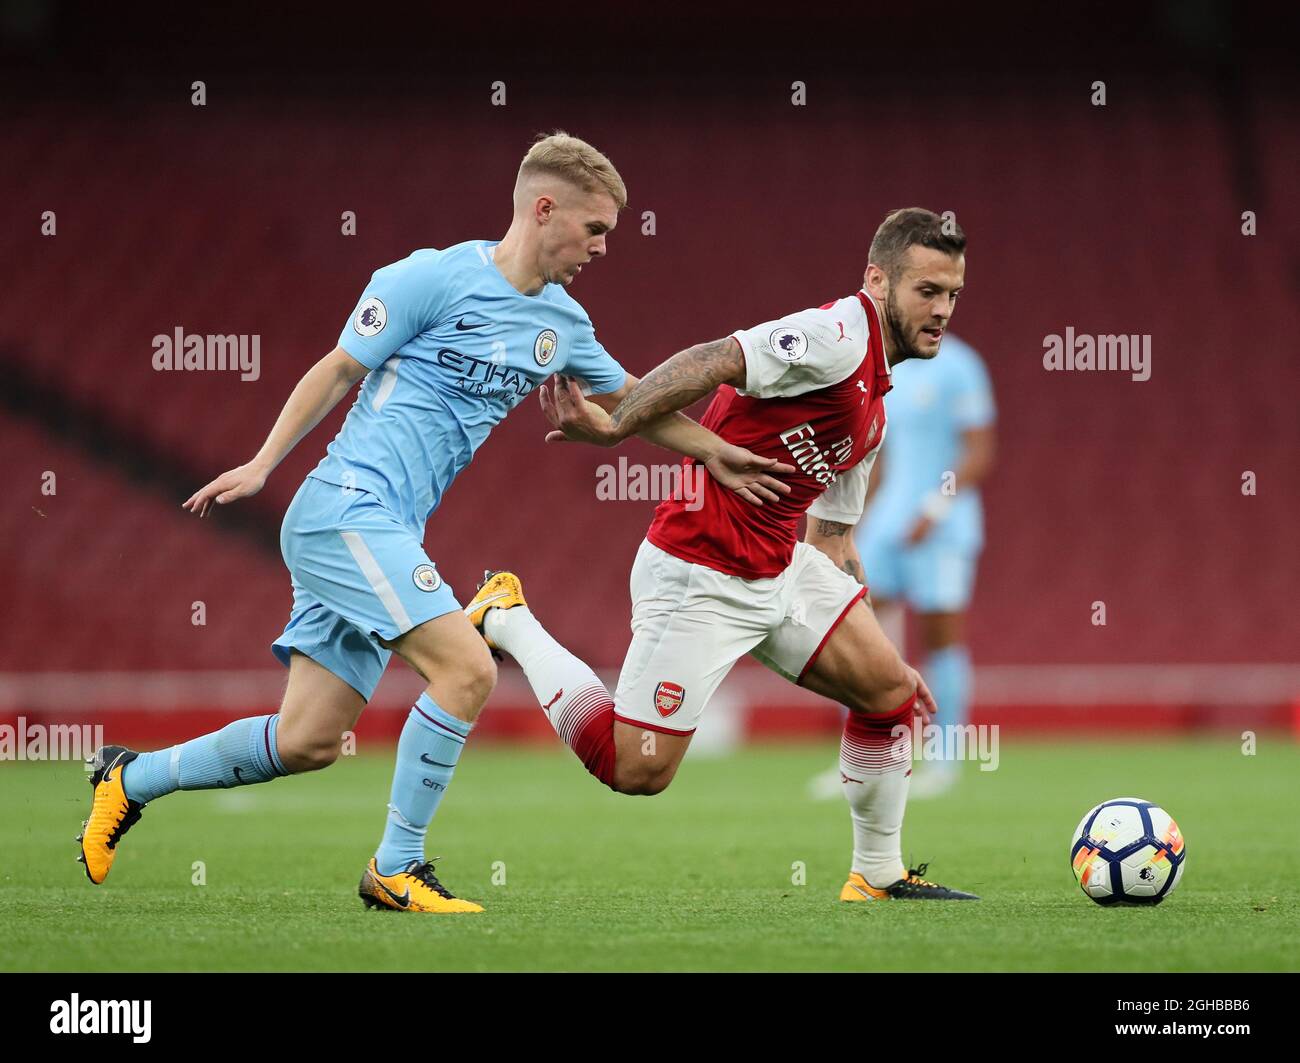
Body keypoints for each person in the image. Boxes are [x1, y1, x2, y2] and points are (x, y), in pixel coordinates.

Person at [77, 132, 788, 913]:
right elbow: (339, 367)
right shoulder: (429, 277)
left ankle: (127, 779)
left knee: (309, 737)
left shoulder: (563, 324)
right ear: (544, 209)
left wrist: (716, 453)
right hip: (345, 508)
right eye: (596, 229)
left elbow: (634, 400)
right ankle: (397, 865)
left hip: (383, 529)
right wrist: (263, 462)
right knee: (469, 667)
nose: (603, 248)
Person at [467, 208, 979, 901]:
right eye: (928, 291)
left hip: (778, 569)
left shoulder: (877, 399)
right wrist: (618, 424)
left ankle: (878, 876)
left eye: (952, 294)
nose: (942, 309)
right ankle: (508, 618)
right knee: (636, 768)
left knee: (889, 692)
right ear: (878, 280)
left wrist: (871, 647)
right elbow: (712, 359)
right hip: (699, 568)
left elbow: (830, 542)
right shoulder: (834, 336)